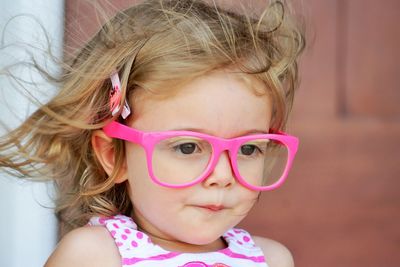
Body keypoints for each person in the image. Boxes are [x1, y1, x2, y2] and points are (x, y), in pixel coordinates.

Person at [0, 0, 305, 266]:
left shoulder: (271, 259)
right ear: (113, 156)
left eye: (248, 149)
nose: (223, 175)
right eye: (187, 147)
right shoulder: (95, 256)